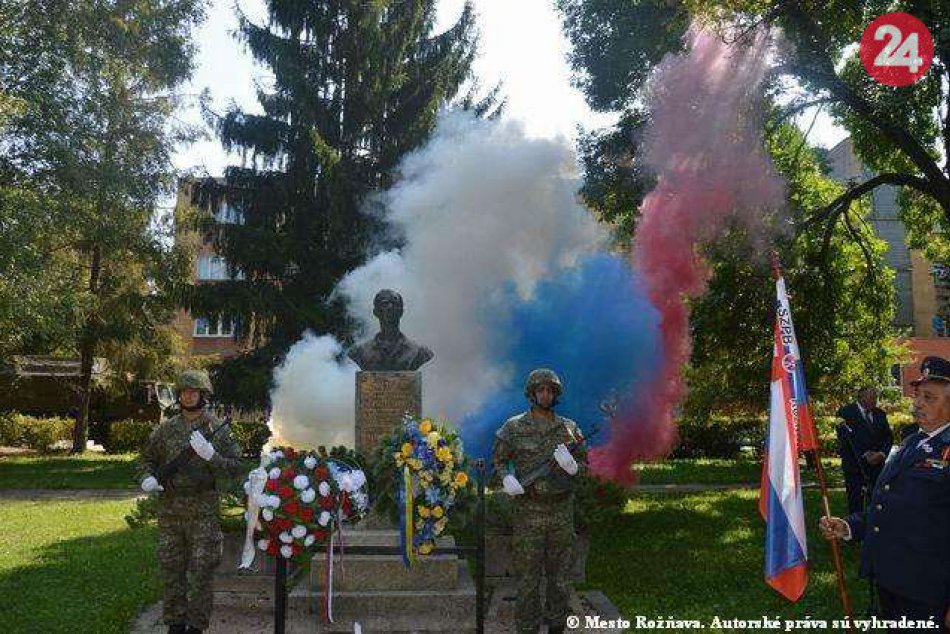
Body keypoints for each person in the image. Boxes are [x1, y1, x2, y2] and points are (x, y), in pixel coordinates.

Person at [820, 356, 950, 633]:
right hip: (892, 579)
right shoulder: (912, 442)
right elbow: (891, 504)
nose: (917, 404)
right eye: (917, 395)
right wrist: (850, 526)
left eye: (930, 397)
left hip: (928, 590)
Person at [140, 369, 243, 634]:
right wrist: (147, 478)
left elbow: (236, 467)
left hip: (203, 510)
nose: (188, 396)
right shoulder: (166, 428)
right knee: (171, 569)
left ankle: (196, 626)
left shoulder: (216, 428)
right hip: (170, 510)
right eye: (184, 391)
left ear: (203, 395)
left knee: (201, 572)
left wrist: (212, 456)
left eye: (194, 392)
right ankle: (175, 624)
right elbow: (147, 459)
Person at [491, 368, 587, 634]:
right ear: (532, 393)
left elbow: (585, 466)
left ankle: (557, 626)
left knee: (560, 578)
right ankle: (527, 628)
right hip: (528, 513)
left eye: (550, 390)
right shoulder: (514, 427)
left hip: (560, 511)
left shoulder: (569, 428)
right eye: (540, 390)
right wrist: (506, 478)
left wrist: (573, 468)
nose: (545, 395)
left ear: (556, 395)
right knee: (528, 579)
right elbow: (498, 461)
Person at [836, 387, 893, 514]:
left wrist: (882, 454)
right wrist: (865, 454)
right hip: (855, 467)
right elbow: (846, 438)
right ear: (861, 398)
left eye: (876, 398)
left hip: (877, 466)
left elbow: (888, 437)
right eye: (872, 398)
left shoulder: (880, 414)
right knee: (855, 501)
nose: (875, 401)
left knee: (877, 500)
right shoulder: (845, 413)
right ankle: (855, 528)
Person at [346, 289, 434, 371]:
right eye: (385, 304)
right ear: (376, 312)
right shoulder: (360, 352)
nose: (390, 307)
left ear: (401, 311)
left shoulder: (419, 352)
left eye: (395, 304)